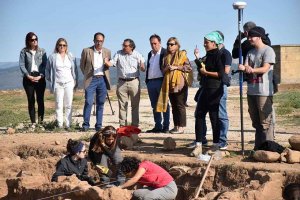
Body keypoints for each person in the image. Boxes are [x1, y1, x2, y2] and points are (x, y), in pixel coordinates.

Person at [191, 31, 232, 151]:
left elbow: (222, 73)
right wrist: (197, 58)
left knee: (214, 117)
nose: (204, 44)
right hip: (205, 87)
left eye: (206, 42)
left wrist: (207, 73)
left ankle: (216, 144)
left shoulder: (219, 55)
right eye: (204, 42)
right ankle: (199, 143)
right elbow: (202, 68)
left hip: (215, 89)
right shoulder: (208, 55)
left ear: (214, 43)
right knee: (199, 114)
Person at [238, 26, 276, 150]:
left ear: (259, 37)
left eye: (251, 36)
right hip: (251, 91)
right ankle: (258, 147)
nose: (249, 39)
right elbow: (245, 66)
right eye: (248, 36)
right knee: (256, 122)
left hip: (263, 91)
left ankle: (269, 148)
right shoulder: (250, 52)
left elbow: (265, 68)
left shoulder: (268, 51)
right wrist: (243, 67)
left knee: (265, 121)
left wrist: (251, 69)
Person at [104, 39, 145, 127]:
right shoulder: (118, 53)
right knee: (122, 105)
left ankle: (135, 126)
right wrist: (106, 62)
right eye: (123, 45)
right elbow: (112, 63)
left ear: (131, 47)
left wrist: (142, 67)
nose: (123, 47)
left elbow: (143, 68)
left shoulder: (137, 54)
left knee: (135, 105)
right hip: (121, 82)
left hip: (134, 82)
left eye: (125, 46)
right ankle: (123, 126)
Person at [156, 37, 192, 134]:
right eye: (168, 44)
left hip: (180, 83)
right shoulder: (165, 56)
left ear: (177, 45)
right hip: (169, 84)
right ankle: (176, 126)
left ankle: (182, 127)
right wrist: (167, 68)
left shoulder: (182, 54)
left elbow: (188, 67)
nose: (169, 46)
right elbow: (162, 70)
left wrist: (176, 67)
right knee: (174, 106)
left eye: (172, 44)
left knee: (180, 105)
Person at [80, 32, 112, 132]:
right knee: (89, 102)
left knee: (100, 103)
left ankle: (98, 126)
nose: (99, 43)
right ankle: (85, 125)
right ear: (94, 41)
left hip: (102, 79)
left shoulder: (107, 51)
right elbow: (82, 65)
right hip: (91, 79)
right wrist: (87, 75)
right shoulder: (86, 51)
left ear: (103, 41)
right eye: (97, 41)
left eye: (101, 41)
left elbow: (108, 65)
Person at [46, 38, 78, 129]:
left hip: (69, 82)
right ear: (57, 46)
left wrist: (75, 81)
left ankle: (68, 125)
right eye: (60, 45)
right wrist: (51, 80)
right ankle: (59, 125)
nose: (62, 47)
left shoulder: (70, 56)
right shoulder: (52, 57)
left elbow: (75, 69)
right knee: (58, 105)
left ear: (66, 46)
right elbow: (47, 70)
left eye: (64, 45)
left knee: (69, 104)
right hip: (58, 84)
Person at [19, 32, 47, 125]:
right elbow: (22, 65)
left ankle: (41, 123)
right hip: (28, 78)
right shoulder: (24, 51)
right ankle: (33, 123)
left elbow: (45, 65)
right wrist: (28, 75)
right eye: (32, 40)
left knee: (40, 100)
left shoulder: (42, 51)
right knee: (31, 100)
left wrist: (41, 75)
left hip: (40, 77)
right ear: (28, 41)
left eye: (36, 39)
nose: (35, 41)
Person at [145, 34, 170, 133]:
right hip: (151, 82)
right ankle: (158, 126)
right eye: (151, 43)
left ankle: (166, 126)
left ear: (159, 43)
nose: (153, 45)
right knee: (154, 105)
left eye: (155, 43)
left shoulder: (164, 52)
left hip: (161, 81)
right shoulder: (150, 54)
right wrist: (147, 81)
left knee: (164, 104)